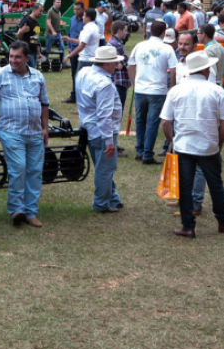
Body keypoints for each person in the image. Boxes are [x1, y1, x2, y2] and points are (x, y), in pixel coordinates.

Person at [160, 51, 224, 238]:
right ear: (206, 69)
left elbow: (166, 122)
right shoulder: (216, 90)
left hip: (184, 145)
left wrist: (171, 141)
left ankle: (188, 226)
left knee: (185, 187)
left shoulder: (176, 90)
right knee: (215, 184)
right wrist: (220, 142)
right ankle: (223, 221)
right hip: (208, 145)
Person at [0, 41, 50, 227]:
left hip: (35, 131)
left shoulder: (37, 77)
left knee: (35, 172)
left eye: (18, 57)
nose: (13, 60)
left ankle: (31, 212)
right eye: (11, 56)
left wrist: (45, 128)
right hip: (11, 131)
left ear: (28, 58)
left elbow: (44, 103)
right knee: (18, 167)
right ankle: (16, 210)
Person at [76, 46, 125, 214]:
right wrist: (109, 140)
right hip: (101, 130)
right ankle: (101, 203)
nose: (116, 65)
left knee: (103, 167)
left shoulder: (84, 72)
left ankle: (112, 197)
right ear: (106, 64)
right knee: (105, 169)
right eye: (114, 62)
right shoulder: (104, 83)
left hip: (89, 128)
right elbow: (104, 115)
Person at [127, 20, 177, 165]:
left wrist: (135, 84)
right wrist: (172, 87)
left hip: (141, 89)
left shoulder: (139, 46)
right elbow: (173, 70)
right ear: (163, 33)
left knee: (140, 120)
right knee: (152, 123)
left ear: (150, 30)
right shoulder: (167, 48)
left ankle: (140, 150)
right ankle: (147, 153)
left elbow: (130, 66)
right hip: (158, 90)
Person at [62, 7, 101, 102]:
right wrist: (70, 39)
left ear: (88, 17)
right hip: (92, 58)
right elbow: (82, 41)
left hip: (85, 59)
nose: (82, 17)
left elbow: (82, 45)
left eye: (84, 15)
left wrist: (69, 56)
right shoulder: (95, 27)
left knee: (80, 82)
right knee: (87, 82)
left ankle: (83, 103)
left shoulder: (88, 28)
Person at [108, 20, 132, 108]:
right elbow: (127, 63)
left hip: (115, 81)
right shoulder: (116, 44)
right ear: (119, 31)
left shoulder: (112, 42)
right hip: (119, 82)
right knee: (117, 112)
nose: (127, 33)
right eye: (125, 30)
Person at [16, 4, 43, 68]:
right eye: (40, 11)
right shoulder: (26, 21)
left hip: (34, 53)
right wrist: (22, 30)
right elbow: (18, 36)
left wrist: (38, 53)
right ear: (34, 9)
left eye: (42, 11)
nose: (41, 13)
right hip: (27, 53)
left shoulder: (37, 24)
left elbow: (35, 40)